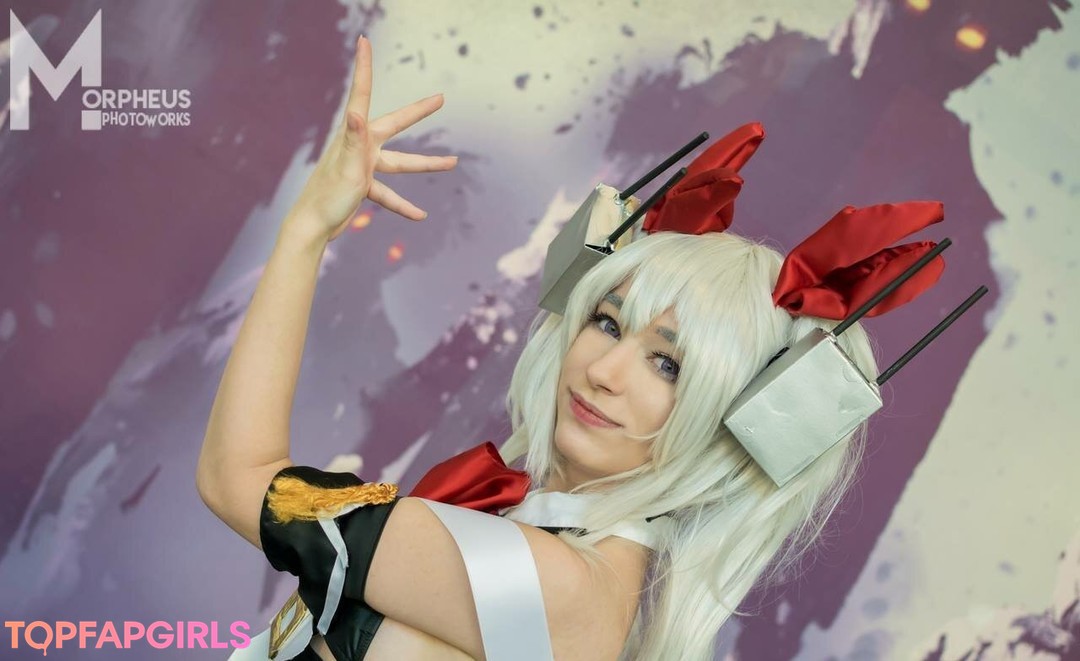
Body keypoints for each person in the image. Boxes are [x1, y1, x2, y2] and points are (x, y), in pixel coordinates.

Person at [198, 35, 943, 661]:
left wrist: (306, 230)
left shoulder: (564, 586)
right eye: (610, 323)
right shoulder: (556, 551)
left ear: (738, 417)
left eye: (668, 365)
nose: (605, 371)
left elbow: (239, 480)